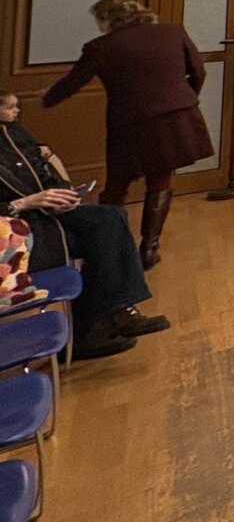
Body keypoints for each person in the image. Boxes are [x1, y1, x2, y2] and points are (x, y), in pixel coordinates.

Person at [39, 0, 214, 268]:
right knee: (161, 180)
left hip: (130, 124)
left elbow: (74, 81)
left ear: (108, 19)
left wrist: (47, 98)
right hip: (176, 117)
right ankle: (149, 248)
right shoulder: (172, 32)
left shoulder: (101, 47)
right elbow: (199, 72)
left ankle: (109, 245)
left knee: (117, 185)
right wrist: (184, 99)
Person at [0, 91, 167, 360]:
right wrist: (24, 202)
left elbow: (43, 173)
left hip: (44, 213)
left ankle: (109, 315)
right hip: (13, 230)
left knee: (110, 218)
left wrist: (63, 194)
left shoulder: (14, 133)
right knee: (101, 238)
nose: (17, 112)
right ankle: (95, 324)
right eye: (10, 107)